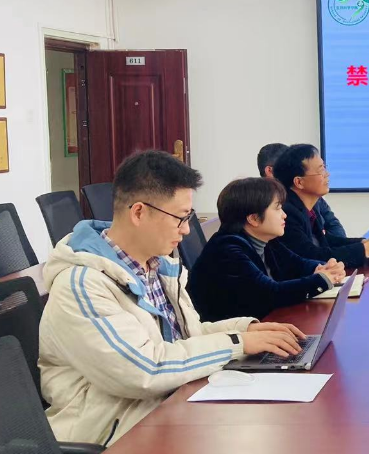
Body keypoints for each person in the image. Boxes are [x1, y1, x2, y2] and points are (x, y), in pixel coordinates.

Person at [38, 151, 309, 445]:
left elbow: (185, 339)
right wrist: (237, 343)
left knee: (279, 427)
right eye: (180, 217)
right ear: (139, 212)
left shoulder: (157, 266)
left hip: (169, 408)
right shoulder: (82, 286)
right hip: (116, 435)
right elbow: (145, 369)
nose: (187, 229)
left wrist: (246, 329)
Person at [188, 177, 347, 322]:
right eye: (277, 208)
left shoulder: (267, 241)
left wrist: (324, 268)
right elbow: (270, 294)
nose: (284, 215)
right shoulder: (227, 250)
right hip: (230, 338)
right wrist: (322, 280)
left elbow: (298, 264)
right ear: (254, 218)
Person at [271, 143, 369, 267]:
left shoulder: (311, 206)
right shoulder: (287, 213)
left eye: (324, 168)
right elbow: (311, 255)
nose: (327, 174)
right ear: (299, 182)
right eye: (320, 170)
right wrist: (365, 249)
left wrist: (365, 242)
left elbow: (326, 241)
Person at [258, 142, 346, 237]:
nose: (327, 174)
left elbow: (336, 229)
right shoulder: (284, 209)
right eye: (320, 170)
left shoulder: (314, 200)